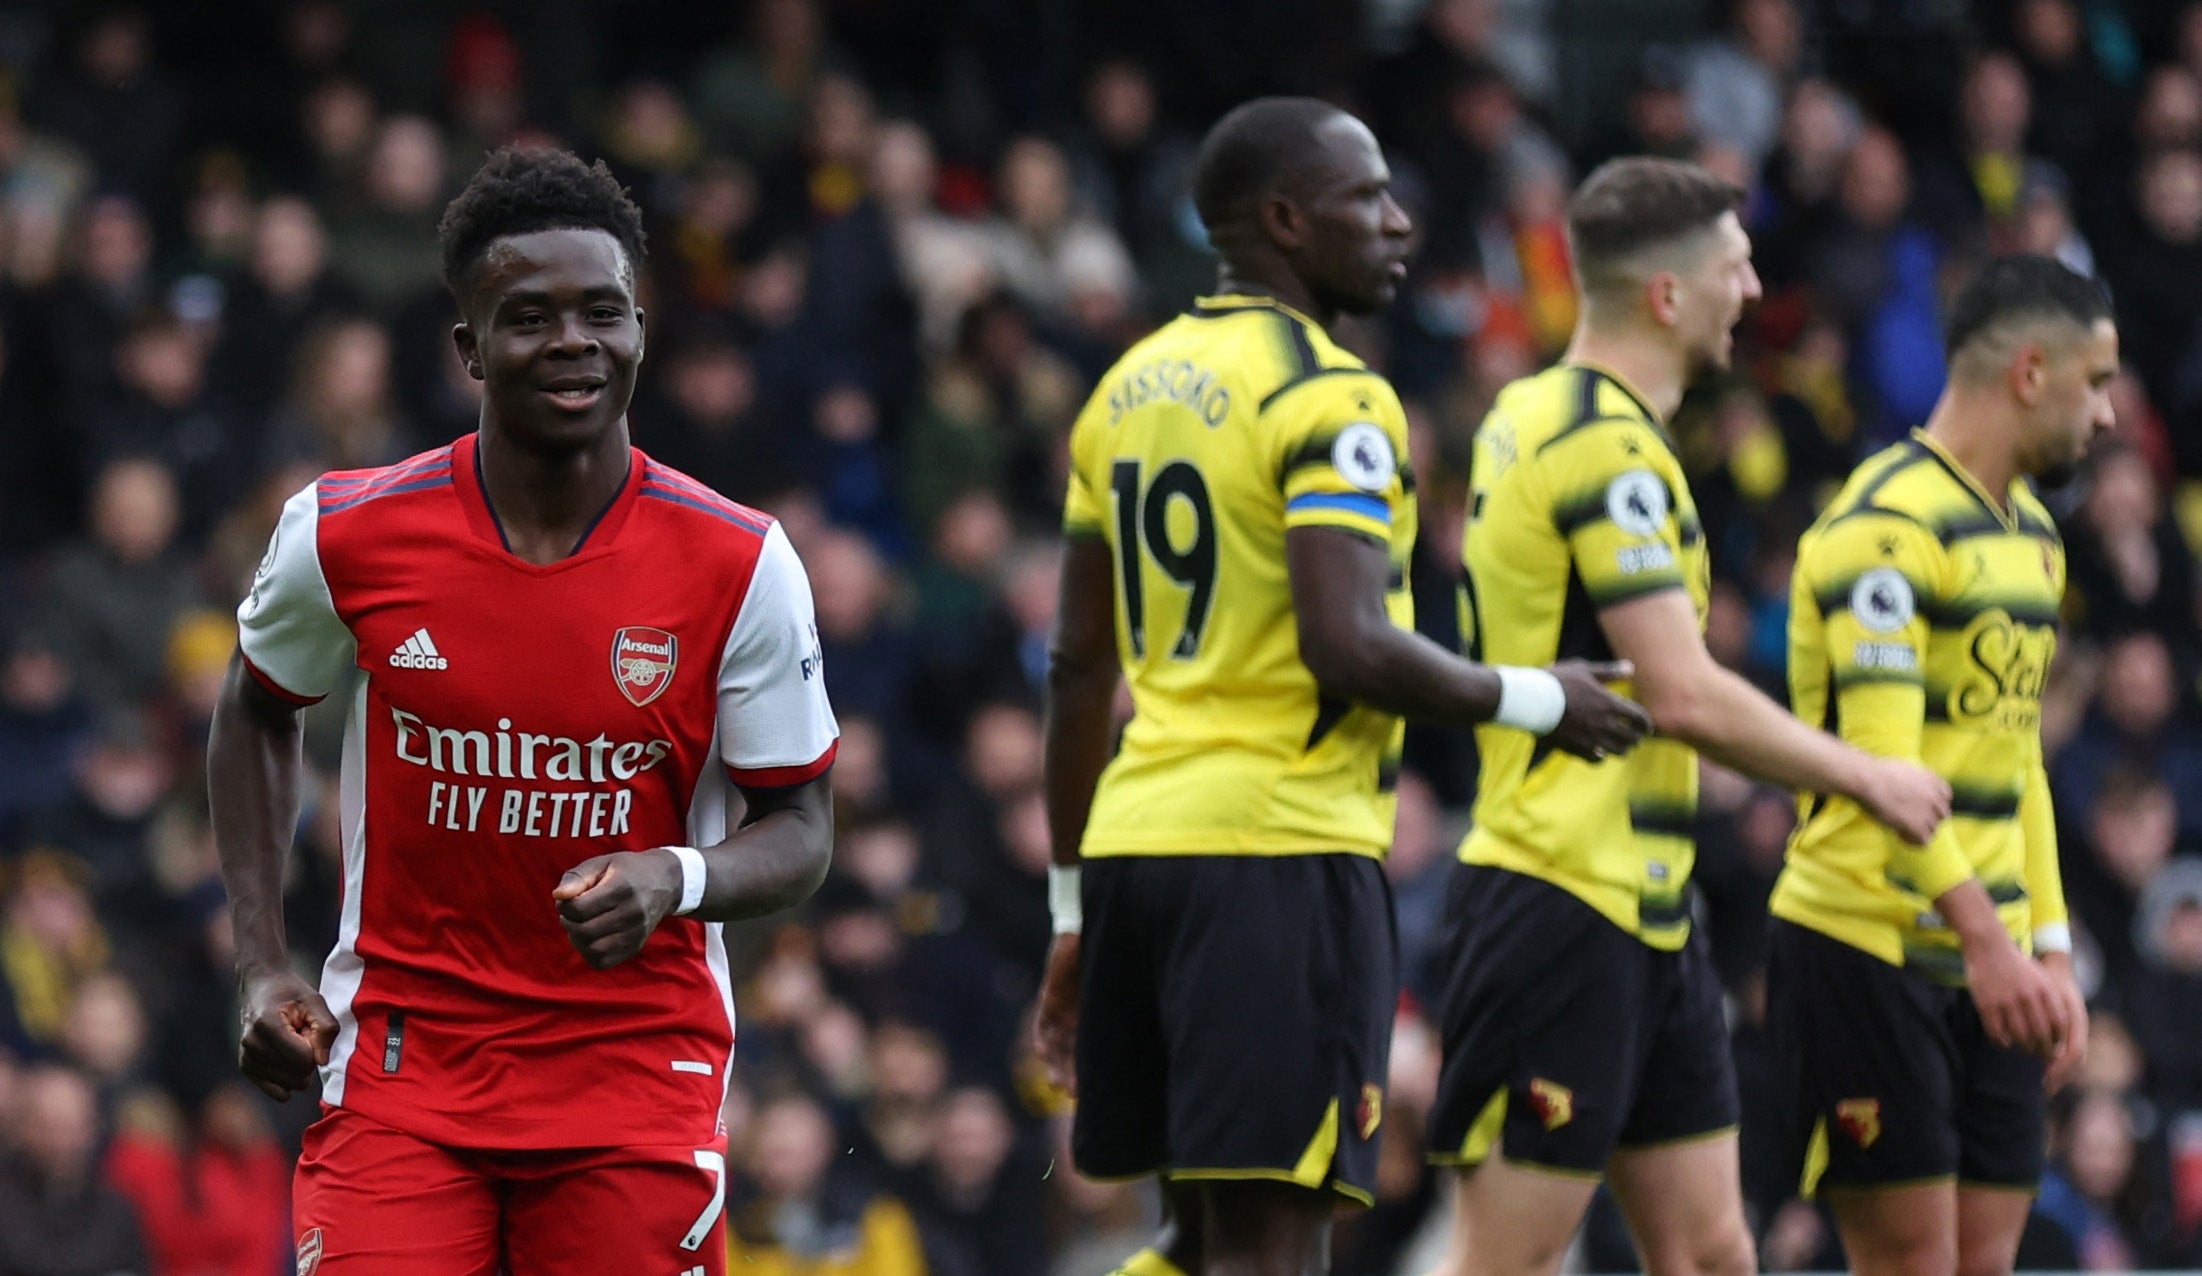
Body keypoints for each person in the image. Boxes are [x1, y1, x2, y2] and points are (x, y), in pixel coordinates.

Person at [1031, 97, 1653, 1276]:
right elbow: (1349, 644)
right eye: (1366, 198)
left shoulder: (1124, 391)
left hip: (1141, 852)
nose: (1397, 221)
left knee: (1197, 1237)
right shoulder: (1333, 398)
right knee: (1273, 1251)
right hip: (1279, 858)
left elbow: (1075, 670)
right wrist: (1539, 697)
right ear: (1285, 219)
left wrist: (1072, 910)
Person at [206, 147, 840, 1274]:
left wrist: (673, 878)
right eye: (530, 315)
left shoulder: (740, 562)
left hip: (636, 1074)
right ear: (469, 350)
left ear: (641, 328)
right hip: (406, 1063)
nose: (572, 341)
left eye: (603, 312)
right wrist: (261, 961)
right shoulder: (348, 531)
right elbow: (256, 707)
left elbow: (801, 826)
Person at [1424, 156, 1955, 1276]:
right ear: (1667, 294)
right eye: (1735, 265)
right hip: (1562, 899)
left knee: (1715, 1252)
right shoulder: (1602, 446)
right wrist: (1864, 773)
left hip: (1651, 910)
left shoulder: (1543, 412)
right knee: (1501, 1263)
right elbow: (1679, 689)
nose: (1755, 290)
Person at [1767, 254, 2113, 1275]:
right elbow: (1883, 772)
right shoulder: (1886, 526)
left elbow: (2020, 765)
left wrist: (2047, 949)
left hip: (1993, 958)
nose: (2105, 415)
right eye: (2096, 383)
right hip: (1866, 944)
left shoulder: (2037, 543)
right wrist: (1986, 943)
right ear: (2031, 372)